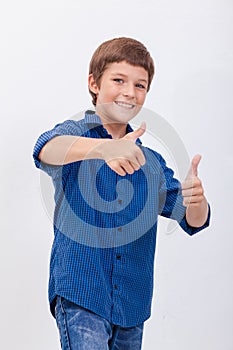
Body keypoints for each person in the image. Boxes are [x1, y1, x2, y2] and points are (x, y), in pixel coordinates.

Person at [33, 37, 210, 350]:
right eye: (119, 80)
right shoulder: (76, 135)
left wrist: (198, 201)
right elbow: (45, 148)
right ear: (94, 83)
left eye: (140, 85)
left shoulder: (151, 162)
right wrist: (104, 148)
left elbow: (192, 220)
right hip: (81, 291)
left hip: (132, 303)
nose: (130, 92)